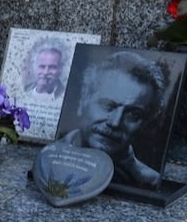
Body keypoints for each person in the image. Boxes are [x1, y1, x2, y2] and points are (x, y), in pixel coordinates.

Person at [57, 51, 167, 188]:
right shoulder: (49, 158)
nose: (114, 123)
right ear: (83, 101)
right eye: (108, 105)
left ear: (145, 124)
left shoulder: (150, 182)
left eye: (133, 114)